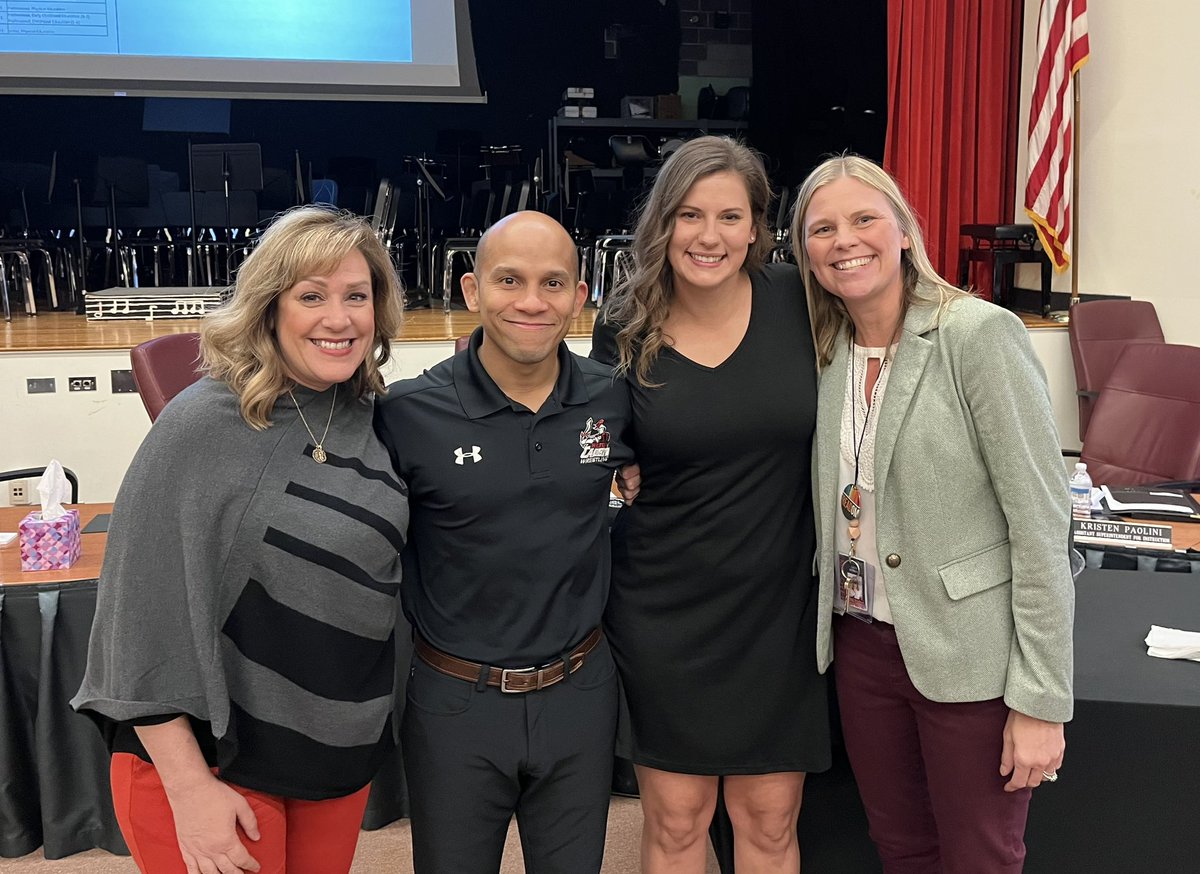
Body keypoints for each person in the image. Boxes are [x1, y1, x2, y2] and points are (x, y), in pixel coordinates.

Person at [72, 206, 408, 874]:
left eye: (356, 296)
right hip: (212, 760)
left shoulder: (372, 420)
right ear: (267, 308)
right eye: (311, 296)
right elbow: (135, 620)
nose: (339, 319)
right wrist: (191, 789)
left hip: (329, 752)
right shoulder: (202, 424)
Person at [791, 154, 1073, 872]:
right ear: (806, 255)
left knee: (980, 857)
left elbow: (1041, 528)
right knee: (900, 848)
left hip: (969, 655)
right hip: (862, 648)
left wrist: (1042, 700)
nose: (844, 240)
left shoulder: (977, 337)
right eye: (822, 228)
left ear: (905, 233)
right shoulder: (824, 353)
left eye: (863, 219)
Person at [592, 135, 831, 872]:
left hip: (779, 608)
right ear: (662, 222)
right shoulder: (625, 321)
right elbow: (600, 441)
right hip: (665, 610)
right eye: (690, 215)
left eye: (730, 217)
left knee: (767, 819)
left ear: (759, 226)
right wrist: (613, 470)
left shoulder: (802, 299)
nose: (709, 236)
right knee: (676, 820)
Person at [375, 210, 636, 874]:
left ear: (580, 299)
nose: (530, 301)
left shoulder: (613, 399)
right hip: (456, 701)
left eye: (552, 284)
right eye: (509, 280)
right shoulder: (407, 413)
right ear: (471, 291)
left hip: (580, 692)